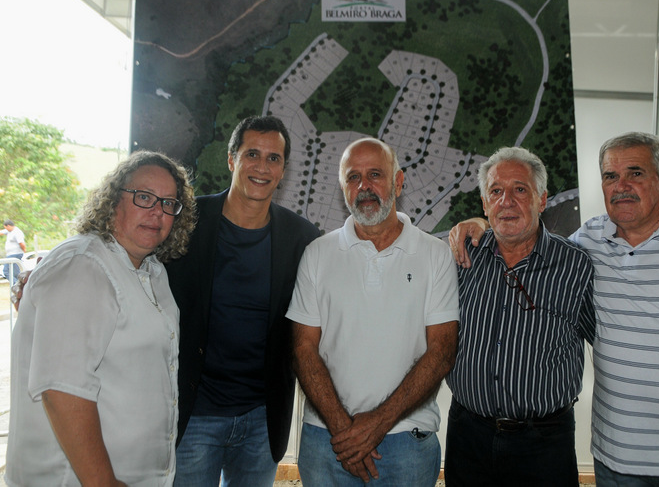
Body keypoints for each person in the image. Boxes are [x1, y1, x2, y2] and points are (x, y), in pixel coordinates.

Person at [451, 132, 659, 487]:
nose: (621, 186)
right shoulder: (588, 242)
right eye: (611, 177)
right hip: (611, 459)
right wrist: (479, 226)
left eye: (635, 173)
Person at [5, 151, 196, 486]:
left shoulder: (152, 271)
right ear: (113, 200)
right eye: (144, 197)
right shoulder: (83, 266)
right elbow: (62, 389)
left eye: (169, 203)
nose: (157, 211)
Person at [287, 137, 460, 486]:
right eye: (353, 177)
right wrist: (345, 431)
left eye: (375, 175)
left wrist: (376, 424)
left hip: (407, 441)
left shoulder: (434, 255)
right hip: (327, 440)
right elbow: (302, 349)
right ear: (341, 187)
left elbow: (442, 351)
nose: (364, 186)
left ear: (398, 181)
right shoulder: (317, 254)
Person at [166, 115, 320, 486]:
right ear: (232, 159)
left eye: (273, 158)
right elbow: (129, 253)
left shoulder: (302, 237)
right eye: (252, 154)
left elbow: (355, 259)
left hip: (262, 418)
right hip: (194, 414)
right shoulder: (187, 222)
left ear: (283, 169)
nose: (262, 167)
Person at [443, 146, 595, 486]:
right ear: (484, 204)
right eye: (496, 191)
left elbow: (608, 342)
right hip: (468, 435)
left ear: (542, 200)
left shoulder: (576, 266)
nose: (506, 201)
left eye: (520, 189)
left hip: (544, 444)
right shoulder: (461, 257)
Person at [2, 219, 26, 283]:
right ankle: (20, 286)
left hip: (15, 254)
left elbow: (21, 243)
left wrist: (24, 251)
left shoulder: (17, 232)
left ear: (8, 226)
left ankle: (16, 286)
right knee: (15, 273)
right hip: (11, 254)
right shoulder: (9, 231)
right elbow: (1, 232)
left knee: (6, 271)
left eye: (6, 228)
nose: (6, 229)